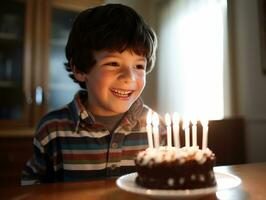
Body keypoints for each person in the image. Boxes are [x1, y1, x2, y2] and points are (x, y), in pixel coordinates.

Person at [21, 3, 165, 185]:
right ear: (80, 69)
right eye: (113, 63)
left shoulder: (156, 128)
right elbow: (31, 185)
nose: (129, 77)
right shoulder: (53, 129)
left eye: (139, 66)